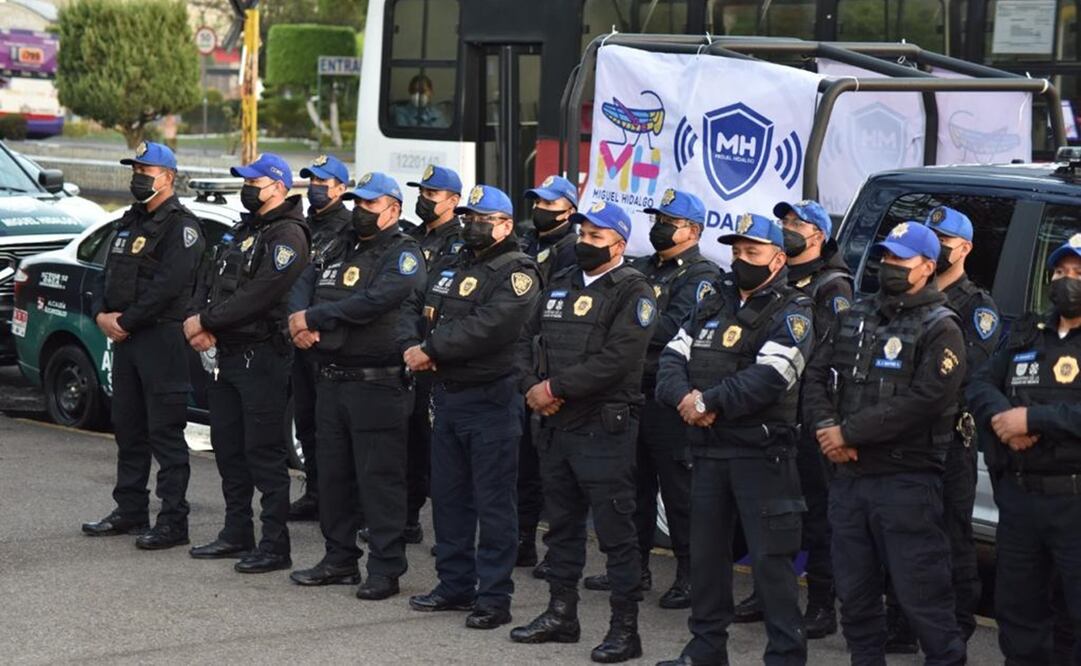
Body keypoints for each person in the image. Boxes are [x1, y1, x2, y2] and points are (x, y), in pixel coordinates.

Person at [803, 221, 967, 665]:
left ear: (927, 266)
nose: (889, 265)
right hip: (849, 479)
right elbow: (815, 377)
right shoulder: (854, 315)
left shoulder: (942, 327)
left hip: (905, 483)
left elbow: (926, 401)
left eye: (900, 259)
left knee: (923, 598)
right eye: (886, 256)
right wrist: (828, 430)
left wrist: (850, 432)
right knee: (855, 598)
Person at [655, 213, 813, 666]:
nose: (741, 259)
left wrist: (708, 401)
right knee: (707, 559)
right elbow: (671, 357)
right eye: (737, 251)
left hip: (761, 456)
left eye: (753, 251)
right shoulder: (713, 301)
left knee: (771, 564)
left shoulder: (793, 311)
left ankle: (785, 657)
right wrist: (685, 398)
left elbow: (772, 376)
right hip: (709, 452)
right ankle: (705, 650)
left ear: (778, 259)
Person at [510, 201, 656, 663]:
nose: (585, 243)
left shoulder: (634, 290)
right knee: (562, 527)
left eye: (596, 236)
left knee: (616, 534)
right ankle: (561, 615)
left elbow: (618, 359)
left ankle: (624, 630)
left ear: (619, 244)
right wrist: (531, 386)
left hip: (602, 429)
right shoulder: (561, 281)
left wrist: (554, 388)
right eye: (583, 235)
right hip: (555, 425)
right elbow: (523, 340)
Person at [402, 184, 540, 630]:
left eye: (482, 219)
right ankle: (454, 585)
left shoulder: (517, 271)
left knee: (494, 505)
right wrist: (417, 344)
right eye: (468, 218)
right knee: (449, 499)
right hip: (449, 397)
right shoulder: (457, 262)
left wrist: (432, 349)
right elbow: (424, 309)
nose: (472, 225)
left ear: (505, 225)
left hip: (491, 400)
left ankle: (494, 597)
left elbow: (491, 326)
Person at [287, 172, 425, 601]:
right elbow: (303, 281)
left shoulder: (403, 253)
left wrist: (315, 318)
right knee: (333, 477)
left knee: (379, 481)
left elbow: (376, 301)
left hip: (377, 385)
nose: (360, 211)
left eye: (370, 204)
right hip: (331, 378)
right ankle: (339, 559)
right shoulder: (338, 244)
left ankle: (385, 568)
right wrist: (298, 321)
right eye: (358, 203)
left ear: (393, 210)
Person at [582, 188, 720, 610]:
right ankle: (632, 570)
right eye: (657, 219)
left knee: (679, 493)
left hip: (667, 396)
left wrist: (621, 329)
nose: (659, 227)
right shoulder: (640, 268)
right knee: (631, 487)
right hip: (628, 392)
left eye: (668, 221)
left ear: (692, 230)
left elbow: (667, 329)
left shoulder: (701, 276)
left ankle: (690, 578)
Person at [184, 153, 310, 573]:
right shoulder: (244, 230)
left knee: (264, 453)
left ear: (278, 187)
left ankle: (275, 545)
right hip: (226, 355)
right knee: (229, 448)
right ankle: (236, 532)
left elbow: (261, 294)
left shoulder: (288, 236)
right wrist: (198, 320)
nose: (247, 188)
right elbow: (209, 280)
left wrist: (206, 321)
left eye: (254, 182)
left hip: (262, 357)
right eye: (246, 182)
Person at [880, 205, 998, 651]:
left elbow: (962, 374)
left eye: (943, 241)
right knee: (903, 529)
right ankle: (901, 623)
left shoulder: (976, 306)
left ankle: (955, 628)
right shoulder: (904, 299)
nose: (935, 246)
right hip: (902, 436)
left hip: (949, 438)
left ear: (963, 248)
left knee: (951, 535)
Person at [733, 199, 851, 639]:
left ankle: (821, 604)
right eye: (783, 221)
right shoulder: (778, 277)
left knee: (817, 514)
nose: (787, 227)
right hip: (773, 410)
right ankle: (765, 594)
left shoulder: (832, 286)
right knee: (771, 511)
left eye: (796, 223)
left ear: (818, 235)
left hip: (809, 413)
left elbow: (829, 354)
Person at [82, 141, 205, 549]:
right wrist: (101, 315)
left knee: (165, 432)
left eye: (145, 171)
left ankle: (173, 521)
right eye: (134, 170)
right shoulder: (128, 220)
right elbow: (104, 274)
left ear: (167, 178)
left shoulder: (181, 227)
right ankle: (130, 509)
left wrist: (125, 322)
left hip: (161, 340)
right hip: (127, 339)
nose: (137, 177)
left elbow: (168, 287)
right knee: (128, 428)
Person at [966, 233, 1081, 666]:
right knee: (1019, 612)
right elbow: (980, 383)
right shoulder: (1027, 333)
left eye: (1079, 273)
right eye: (1060, 271)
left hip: (1075, 500)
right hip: (1021, 499)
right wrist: (1003, 420)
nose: (1067, 280)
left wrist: (1034, 420)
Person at [517, 174, 580, 576]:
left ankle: (556, 552)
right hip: (521, 361)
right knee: (522, 464)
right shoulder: (526, 240)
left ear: (569, 211)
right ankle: (522, 540)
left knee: (552, 471)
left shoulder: (572, 249)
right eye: (538, 202)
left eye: (550, 204)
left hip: (550, 366)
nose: (541, 209)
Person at [399, 164, 465, 545]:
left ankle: (447, 535)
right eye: (421, 193)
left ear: (453, 201)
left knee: (434, 447)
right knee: (407, 442)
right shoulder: (410, 236)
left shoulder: (459, 243)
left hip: (436, 354)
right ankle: (407, 518)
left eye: (432, 194)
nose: (424, 200)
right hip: (406, 347)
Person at [287, 154, 354, 522]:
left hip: (326, 341)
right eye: (311, 181)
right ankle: (314, 493)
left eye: (322, 183)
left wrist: (314, 326)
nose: (314, 188)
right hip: (296, 337)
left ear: (340, 189)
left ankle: (342, 500)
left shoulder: (349, 230)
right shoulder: (301, 225)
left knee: (335, 429)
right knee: (307, 423)